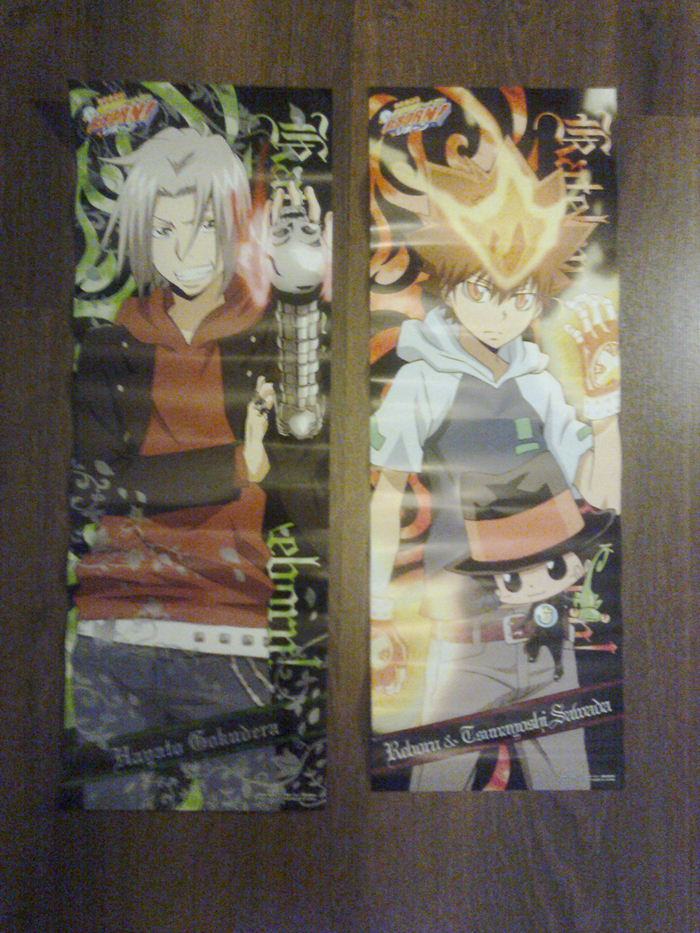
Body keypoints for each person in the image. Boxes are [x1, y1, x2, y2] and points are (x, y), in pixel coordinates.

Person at [369, 137, 621, 790]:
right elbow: (386, 494)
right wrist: (375, 603)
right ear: (451, 281)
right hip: (466, 638)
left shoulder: (540, 382)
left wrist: (604, 410)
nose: (500, 309)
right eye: (482, 287)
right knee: (431, 799)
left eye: (518, 294)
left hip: (552, 639)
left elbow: (602, 495)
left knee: (573, 800)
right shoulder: (423, 379)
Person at [67, 126, 306, 808]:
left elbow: (304, 483)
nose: (186, 249)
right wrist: (238, 465)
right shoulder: (110, 346)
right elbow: (98, 484)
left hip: (227, 626)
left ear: (233, 228)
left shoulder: (267, 342)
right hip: (116, 628)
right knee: (115, 848)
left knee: (247, 840)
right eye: (164, 229)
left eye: (204, 226)